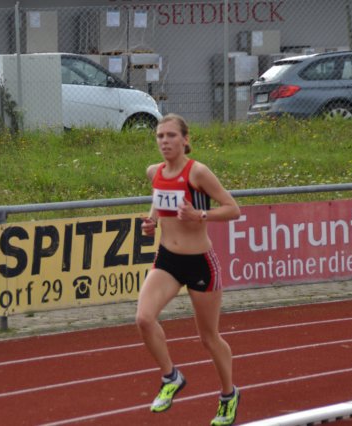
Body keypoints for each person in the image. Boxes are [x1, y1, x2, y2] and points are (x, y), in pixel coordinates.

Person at [136, 113, 241, 425]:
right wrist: (151, 222)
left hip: (200, 263)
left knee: (208, 338)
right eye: (160, 136)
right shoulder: (154, 171)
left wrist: (201, 215)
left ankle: (228, 395)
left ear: (185, 139)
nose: (165, 141)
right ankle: (171, 377)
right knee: (143, 318)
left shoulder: (198, 172)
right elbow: (159, 200)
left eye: (171, 135)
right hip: (168, 260)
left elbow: (233, 209)